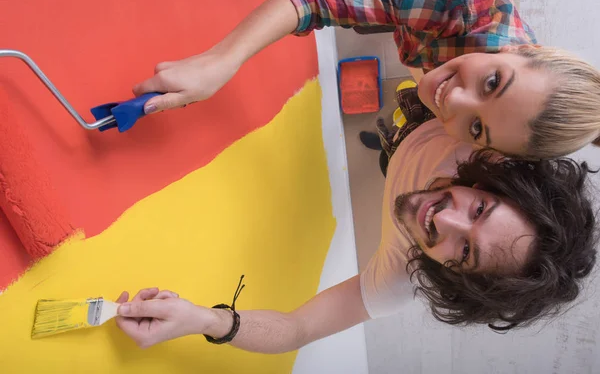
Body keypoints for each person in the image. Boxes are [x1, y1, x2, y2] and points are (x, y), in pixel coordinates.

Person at [115, 119, 597, 351]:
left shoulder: (397, 281)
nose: (443, 218)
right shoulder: (492, 136)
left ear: (460, 281)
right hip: (422, 120)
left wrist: (203, 319)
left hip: (403, 153)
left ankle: (387, 147)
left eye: (464, 250)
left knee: (390, 159)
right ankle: (392, 135)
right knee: (397, 133)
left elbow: (296, 330)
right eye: (480, 207)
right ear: (496, 180)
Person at [131, 0, 600, 159]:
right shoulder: (461, 0)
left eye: (477, 129)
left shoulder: (509, 139)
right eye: (493, 82)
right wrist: (219, 61)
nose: (454, 101)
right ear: (522, 50)